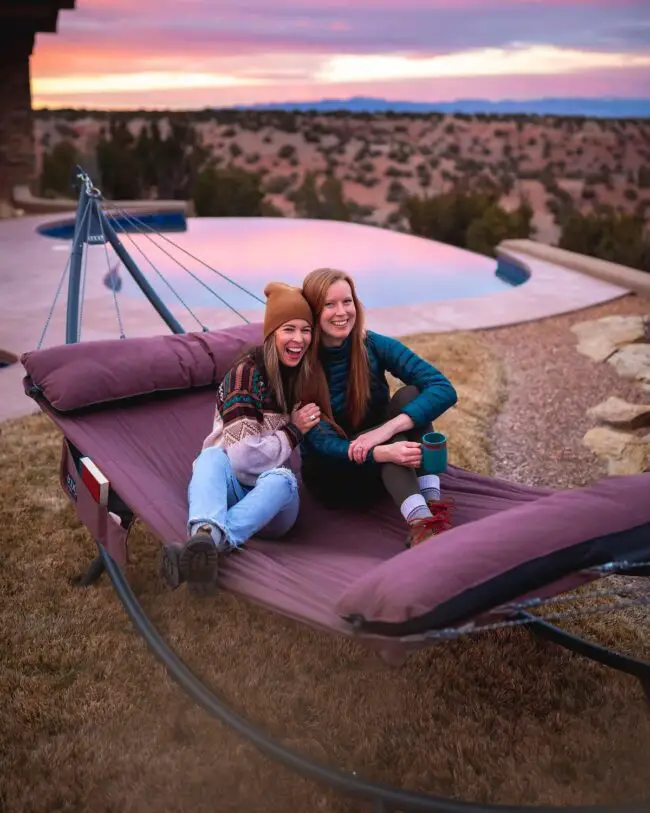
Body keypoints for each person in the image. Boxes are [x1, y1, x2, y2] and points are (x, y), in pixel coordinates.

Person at [160, 282, 321, 593]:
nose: (299, 339)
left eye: (306, 330)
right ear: (272, 332)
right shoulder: (246, 376)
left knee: (283, 480)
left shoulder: (304, 376)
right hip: (229, 489)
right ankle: (208, 541)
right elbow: (243, 460)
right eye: (289, 329)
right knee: (209, 457)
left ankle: (202, 549)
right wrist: (294, 430)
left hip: (271, 507)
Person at [300, 267, 458, 549]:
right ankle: (421, 524)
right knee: (394, 437)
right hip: (335, 477)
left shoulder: (370, 344)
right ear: (312, 311)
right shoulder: (302, 365)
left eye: (347, 301)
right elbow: (323, 445)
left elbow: (442, 388)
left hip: (383, 466)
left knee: (411, 396)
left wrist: (386, 429)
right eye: (329, 304)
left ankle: (432, 504)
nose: (341, 312)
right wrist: (381, 448)